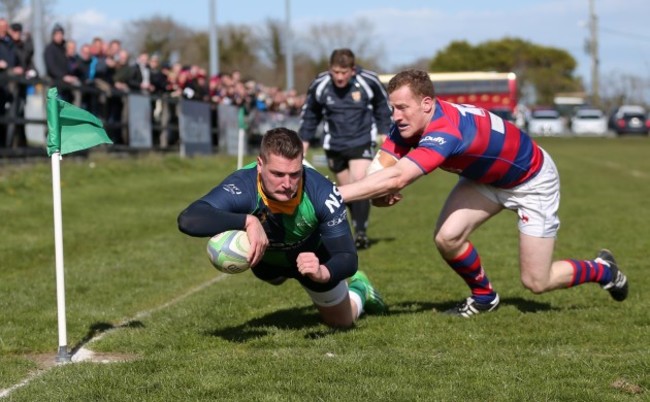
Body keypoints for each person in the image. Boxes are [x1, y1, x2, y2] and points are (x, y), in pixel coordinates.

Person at [338, 69, 629, 317]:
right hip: (486, 179)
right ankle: (484, 297)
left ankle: (603, 270)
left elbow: (398, 177)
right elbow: (384, 166)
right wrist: (376, 192)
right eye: (393, 107)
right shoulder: (409, 124)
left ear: (427, 104)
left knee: (537, 281)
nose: (396, 115)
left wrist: (335, 195)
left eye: (402, 107)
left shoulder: (445, 130)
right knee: (447, 238)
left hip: (532, 181)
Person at [177, 127, 387, 328]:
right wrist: (247, 221)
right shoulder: (242, 185)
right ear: (260, 165)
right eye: (277, 174)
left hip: (312, 256)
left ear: (302, 165)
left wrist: (323, 271)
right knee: (273, 278)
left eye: (295, 174)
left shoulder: (322, 193)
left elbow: (348, 257)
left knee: (342, 322)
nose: (287, 183)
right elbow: (189, 219)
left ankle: (361, 289)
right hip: (267, 263)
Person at [298, 48, 392, 250]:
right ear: (330, 69)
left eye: (344, 72)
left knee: (360, 181)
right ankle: (352, 226)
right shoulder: (320, 84)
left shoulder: (369, 81)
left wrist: (385, 132)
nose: (339, 77)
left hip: (361, 140)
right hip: (334, 145)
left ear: (353, 69)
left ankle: (360, 232)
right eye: (335, 72)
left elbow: (383, 107)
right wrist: (303, 141)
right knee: (345, 191)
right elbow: (310, 114)